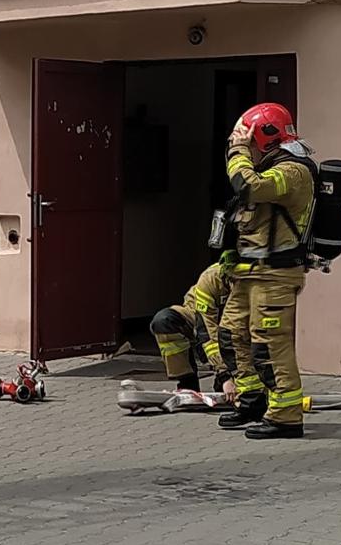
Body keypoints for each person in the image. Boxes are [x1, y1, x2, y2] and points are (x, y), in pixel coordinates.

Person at [215, 103, 317, 439]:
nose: (243, 144)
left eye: (247, 138)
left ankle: (286, 416)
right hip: (250, 274)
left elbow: (249, 187)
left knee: (269, 344)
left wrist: (237, 151)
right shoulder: (271, 165)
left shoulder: (293, 171)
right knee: (232, 335)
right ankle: (253, 400)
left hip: (275, 276)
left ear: (264, 138)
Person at [135, 261, 232, 395]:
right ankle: (188, 383)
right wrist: (225, 375)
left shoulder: (257, 282)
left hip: (233, 326)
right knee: (163, 321)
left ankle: (227, 382)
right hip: (200, 316)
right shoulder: (211, 278)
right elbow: (207, 332)